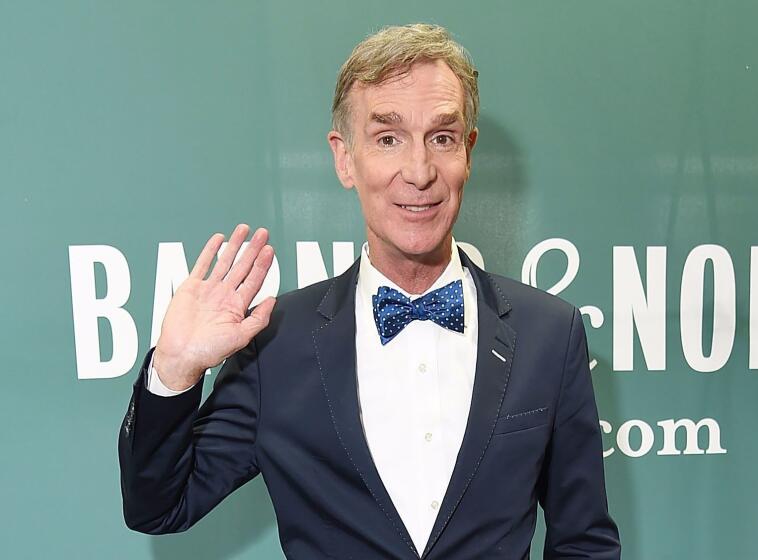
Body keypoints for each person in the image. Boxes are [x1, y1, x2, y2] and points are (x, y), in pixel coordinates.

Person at [119, 23, 621, 559]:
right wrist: (173, 373)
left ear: (468, 154)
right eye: (388, 138)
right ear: (343, 158)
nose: (419, 170)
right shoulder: (274, 345)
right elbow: (159, 506)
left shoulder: (549, 333)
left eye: (442, 138)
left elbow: (584, 542)